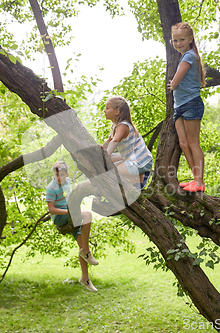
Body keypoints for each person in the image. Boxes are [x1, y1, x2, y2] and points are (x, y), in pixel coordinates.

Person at [46, 161, 99, 292]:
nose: (59, 177)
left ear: (67, 175)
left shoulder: (68, 181)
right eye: (56, 174)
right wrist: (70, 211)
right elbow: (51, 209)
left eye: (62, 175)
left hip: (71, 213)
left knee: (81, 245)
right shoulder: (51, 188)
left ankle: (85, 278)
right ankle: (86, 251)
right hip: (60, 217)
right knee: (87, 215)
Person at [167, 22, 206, 192]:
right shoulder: (185, 55)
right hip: (180, 106)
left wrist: (173, 85)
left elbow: (177, 78)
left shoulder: (190, 56)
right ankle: (195, 179)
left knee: (193, 142)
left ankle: (199, 182)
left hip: (191, 104)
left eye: (182, 39)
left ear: (190, 39)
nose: (178, 43)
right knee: (183, 143)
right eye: (175, 40)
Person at [102, 96, 153, 190]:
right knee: (109, 159)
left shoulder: (123, 126)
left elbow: (115, 141)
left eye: (107, 108)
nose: (104, 110)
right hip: (131, 157)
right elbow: (108, 142)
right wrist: (102, 151)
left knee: (110, 171)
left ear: (117, 112)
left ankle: (139, 177)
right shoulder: (114, 127)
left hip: (141, 160)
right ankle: (136, 180)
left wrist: (105, 156)